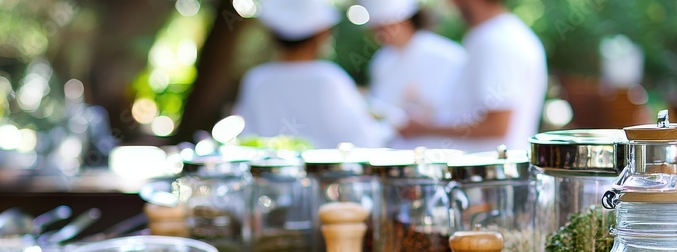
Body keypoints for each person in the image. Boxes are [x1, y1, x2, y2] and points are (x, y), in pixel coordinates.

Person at [233, 0, 391, 149]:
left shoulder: (256, 79)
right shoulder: (328, 78)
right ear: (321, 33)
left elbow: (247, 138)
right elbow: (365, 139)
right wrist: (390, 125)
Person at [399, 0, 547, 152]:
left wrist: (424, 129)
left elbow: (497, 125)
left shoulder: (495, 40)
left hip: (488, 172)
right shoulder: (497, 34)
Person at [361, 0, 467, 149]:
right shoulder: (381, 61)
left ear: (407, 21)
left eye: (389, 26)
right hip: (397, 150)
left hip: (440, 148)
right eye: (378, 29)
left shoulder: (446, 55)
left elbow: (460, 110)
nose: (383, 34)